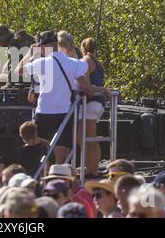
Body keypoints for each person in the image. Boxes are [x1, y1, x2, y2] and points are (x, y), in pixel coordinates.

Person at [15, 31, 104, 163]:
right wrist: (101, 90)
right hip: (64, 113)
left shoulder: (41, 62)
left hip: (44, 111)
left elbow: (18, 70)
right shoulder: (74, 63)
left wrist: (30, 53)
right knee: (61, 152)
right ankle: (58, 177)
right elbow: (85, 87)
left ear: (43, 47)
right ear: (57, 44)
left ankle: (43, 177)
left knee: (40, 150)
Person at [78, 37, 110, 178]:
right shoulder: (98, 63)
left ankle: (93, 170)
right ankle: (89, 168)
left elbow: (85, 82)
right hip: (97, 103)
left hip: (91, 102)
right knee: (81, 137)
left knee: (90, 138)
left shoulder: (85, 61)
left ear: (83, 48)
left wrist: (96, 89)